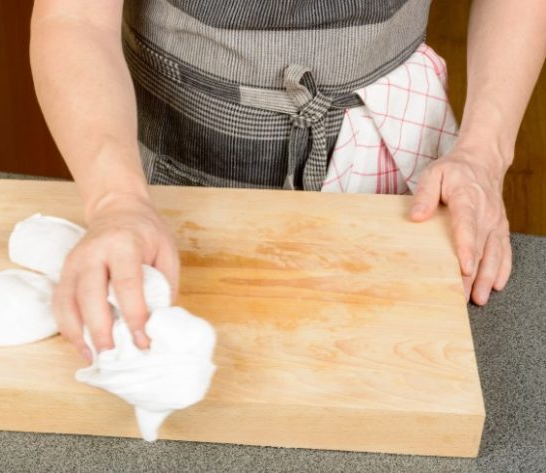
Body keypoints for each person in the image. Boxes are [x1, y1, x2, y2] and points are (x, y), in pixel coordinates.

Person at [29, 0, 546, 361]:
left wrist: (482, 153)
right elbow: (74, 16)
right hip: (166, 179)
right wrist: (117, 200)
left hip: (394, 155)